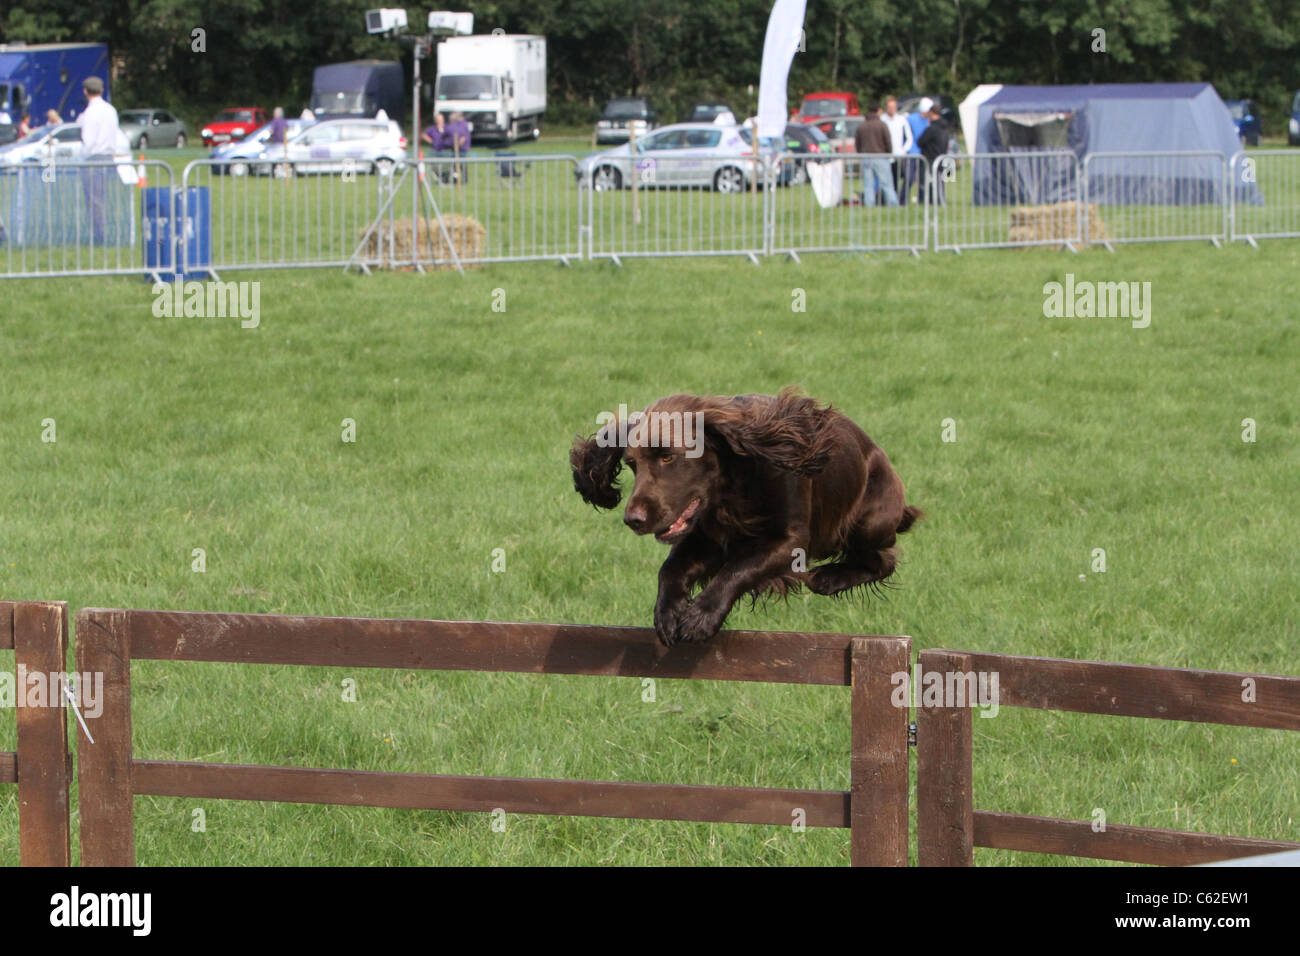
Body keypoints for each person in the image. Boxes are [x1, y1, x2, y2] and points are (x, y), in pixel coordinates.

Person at [78, 76, 118, 245]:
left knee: (94, 201)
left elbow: (89, 141)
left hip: (94, 158)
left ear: (85, 91)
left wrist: (80, 157)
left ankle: (99, 237)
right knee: (104, 198)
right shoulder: (110, 109)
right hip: (110, 157)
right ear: (101, 90)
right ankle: (106, 234)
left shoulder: (90, 113)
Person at [853, 101, 898, 207]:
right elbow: (888, 141)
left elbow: (857, 144)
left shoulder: (862, 126)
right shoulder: (882, 125)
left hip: (866, 158)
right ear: (879, 111)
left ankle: (869, 205)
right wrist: (889, 153)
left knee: (868, 185)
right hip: (881, 157)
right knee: (886, 184)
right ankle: (892, 204)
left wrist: (861, 153)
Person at [917, 101, 950, 206]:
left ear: (931, 113)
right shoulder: (945, 127)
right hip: (942, 157)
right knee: (940, 183)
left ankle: (934, 201)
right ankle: (939, 200)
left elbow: (920, 141)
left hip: (931, 159)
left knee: (931, 183)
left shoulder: (931, 129)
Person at [900, 98, 931, 206]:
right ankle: (903, 200)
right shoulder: (910, 119)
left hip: (923, 153)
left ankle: (921, 199)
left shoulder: (929, 121)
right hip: (912, 153)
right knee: (909, 178)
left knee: (922, 179)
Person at [881, 96, 913, 198]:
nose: (892, 109)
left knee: (898, 178)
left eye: (894, 107)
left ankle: (897, 198)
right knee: (886, 179)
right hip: (886, 155)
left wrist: (904, 150)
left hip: (898, 154)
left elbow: (909, 137)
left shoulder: (901, 119)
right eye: (890, 107)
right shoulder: (882, 119)